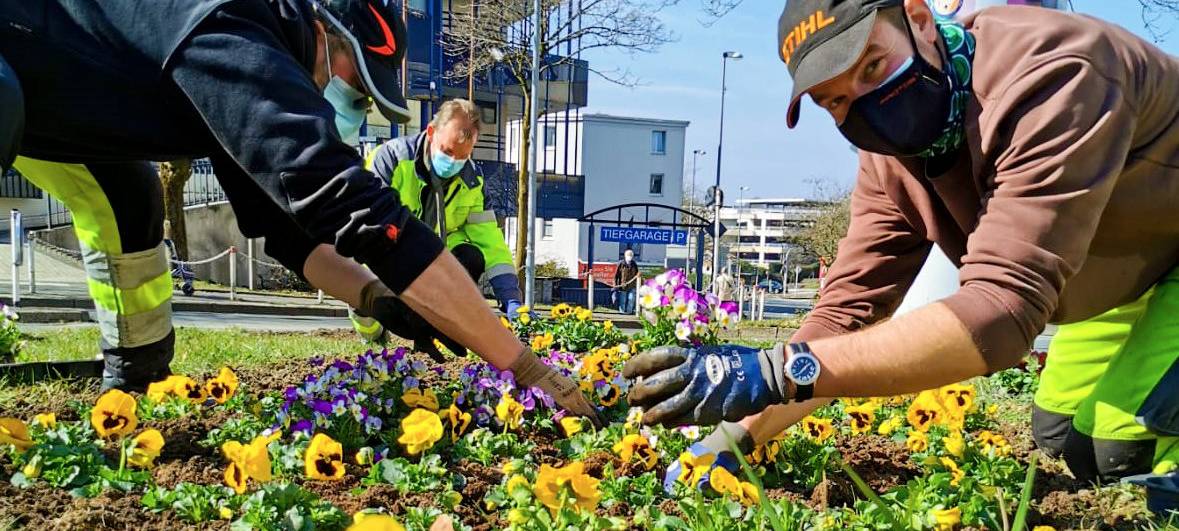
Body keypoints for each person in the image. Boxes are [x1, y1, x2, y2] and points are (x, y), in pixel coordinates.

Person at [625, 0, 1179, 490]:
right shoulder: (892, 162)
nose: (866, 105)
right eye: (834, 101)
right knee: (1061, 437)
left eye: (872, 65)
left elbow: (1001, 315)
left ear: (917, 17)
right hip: (1129, 273)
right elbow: (845, 316)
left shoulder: (1052, 76)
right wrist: (728, 443)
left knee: (1127, 452)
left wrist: (773, 372)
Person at [0, 0, 602, 425]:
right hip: (15, 55)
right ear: (322, 29)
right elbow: (359, 210)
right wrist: (523, 364)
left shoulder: (238, 76)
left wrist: (376, 300)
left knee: (129, 200)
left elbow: (286, 230)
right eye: (354, 80)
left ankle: (133, 378)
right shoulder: (236, 34)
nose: (350, 100)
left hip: (54, 93)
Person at [349, 99, 525, 360]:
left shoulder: (472, 180)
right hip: (387, 258)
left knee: (471, 255)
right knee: (373, 304)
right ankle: (369, 325)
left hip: (432, 261)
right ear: (431, 133)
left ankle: (425, 337)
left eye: (463, 156)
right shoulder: (391, 160)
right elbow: (370, 227)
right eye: (447, 151)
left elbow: (490, 240)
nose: (453, 162)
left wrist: (510, 297)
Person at [613, 249, 640, 314]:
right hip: (623, 285)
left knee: (631, 299)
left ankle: (629, 312)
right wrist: (616, 285)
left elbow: (637, 273)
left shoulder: (634, 264)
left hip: (632, 285)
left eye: (631, 255)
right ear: (625, 256)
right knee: (623, 300)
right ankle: (622, 312)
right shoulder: (621, 264)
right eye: (628, 255)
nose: (629, 256)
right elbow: (616, 275)